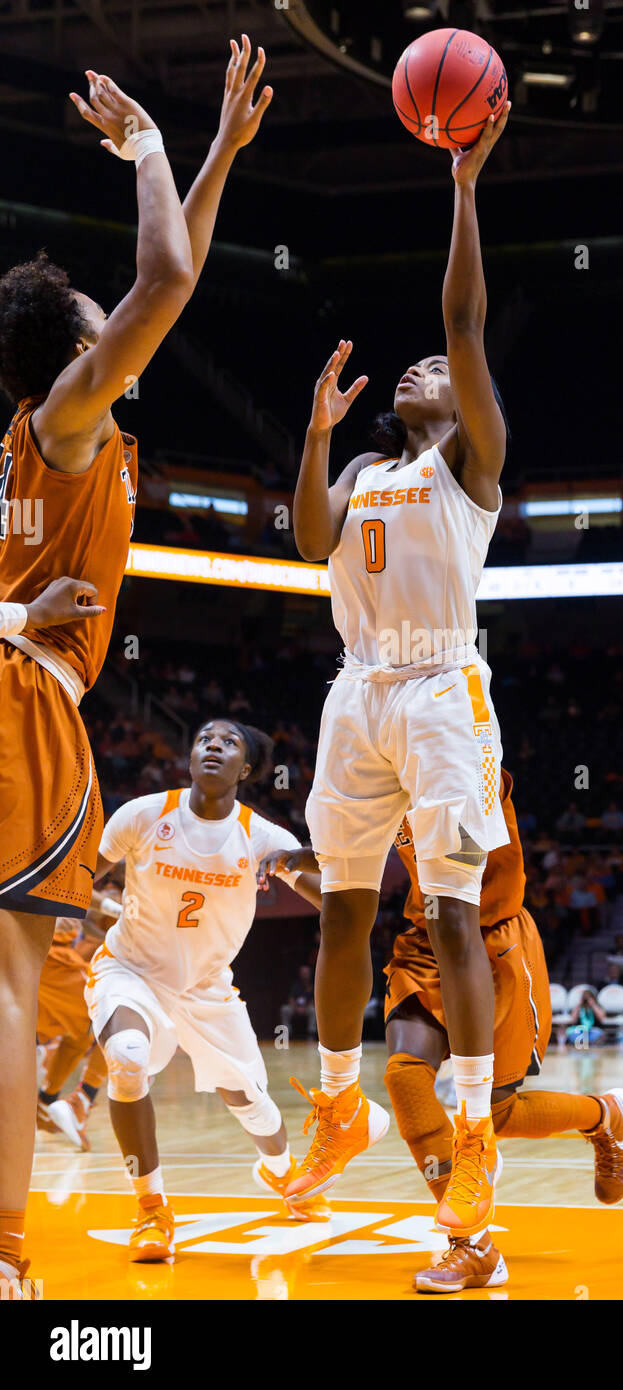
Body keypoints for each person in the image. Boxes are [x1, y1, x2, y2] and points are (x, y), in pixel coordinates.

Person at [0, 43, 272, 1297]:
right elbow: (164, 273)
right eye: (98, 322)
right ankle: (8, 1252)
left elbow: (175, 278)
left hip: (20, 678)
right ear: (69, 346)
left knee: (19, 983)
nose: (124, 322)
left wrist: (215, 152)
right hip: (25, 703)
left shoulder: (47, 432)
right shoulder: (64, 419)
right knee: (14, 983)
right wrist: (150, 145)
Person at [288, 105, 515, 1238]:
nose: (429, 365)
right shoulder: (372, 463)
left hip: (439, 692)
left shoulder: (468, 466)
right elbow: (302, 539)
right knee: (339, 914)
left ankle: (474, 1139)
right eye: (417, 366)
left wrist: (463, 187)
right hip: (355, 688)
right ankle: (337, 1104)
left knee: (450, 912)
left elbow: (464, 322)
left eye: (440, 369)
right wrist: (320, 433)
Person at [260, 769, 623, 1295]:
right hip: (423, 945)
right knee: (404, 1077)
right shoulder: (384, 771)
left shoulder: (464, 757)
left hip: (492, 947)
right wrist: (311, 856)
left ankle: (605, 1115)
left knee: (496, 1112)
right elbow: (353, 877)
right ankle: (474, 1249)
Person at [86, 719, 326, 1261]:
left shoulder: (262, 836)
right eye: (203, 739)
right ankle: (152, 1210)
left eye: (228, 742)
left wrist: (302, 856)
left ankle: (284, 1173)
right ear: (191, 757)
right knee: (126, 1058)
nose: (213, 745)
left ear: (245, 769)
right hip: (131, 971)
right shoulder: (144, 815)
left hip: (206, 988)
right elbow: (85, 878)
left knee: (251, 1102)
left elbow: (334, 902)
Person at [35, 890, 122, 1150]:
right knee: (111, 1013)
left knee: (81, 1035)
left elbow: (77, 897)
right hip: (50, 954)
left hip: (54, 952)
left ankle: (46, 1102)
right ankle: (82, 1100)